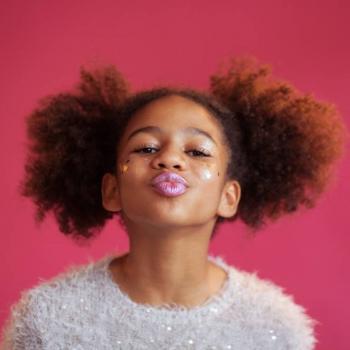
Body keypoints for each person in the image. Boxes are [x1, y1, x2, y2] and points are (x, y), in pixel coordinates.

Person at [0, 56, 346, 349]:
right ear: (112, 191)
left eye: (196, 151)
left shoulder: (277, 327)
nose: (170, 160)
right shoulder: (46, 321)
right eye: (146, 148)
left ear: (228, 197)